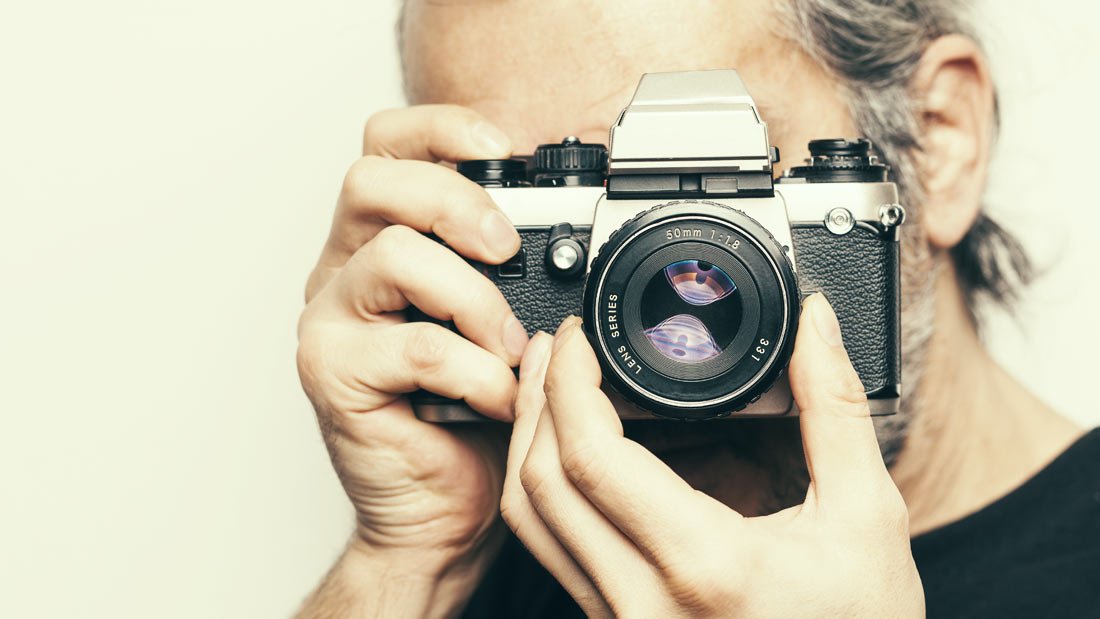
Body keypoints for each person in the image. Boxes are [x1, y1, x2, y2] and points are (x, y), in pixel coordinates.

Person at [294, 1, 1100, 617]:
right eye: (561, 203)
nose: (658, 318)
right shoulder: (503, 538)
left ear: (938, 139)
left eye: (706, 195)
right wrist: (405, 561)